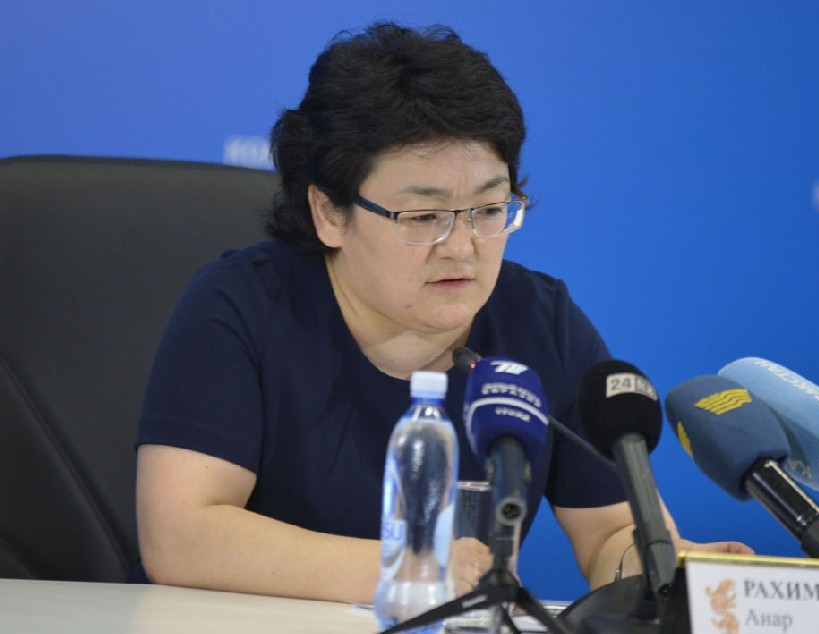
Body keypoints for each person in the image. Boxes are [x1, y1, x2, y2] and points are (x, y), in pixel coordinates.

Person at [133, 21, 750, 604]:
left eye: (489, 210)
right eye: (424, 216)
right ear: (329, 214)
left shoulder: (543, 324)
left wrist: (669, 573)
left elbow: (610, 534)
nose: (462, 247)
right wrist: (414, 569)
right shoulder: (243, 306)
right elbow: (183, 538)